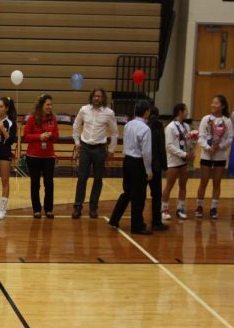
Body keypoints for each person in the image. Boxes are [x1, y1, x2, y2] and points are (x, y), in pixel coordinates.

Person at [72, 88, 118, 219]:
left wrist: (112, 150)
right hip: (85, 148)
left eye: (99, 96)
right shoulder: (84, 109)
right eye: (95, 96)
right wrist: (77, 142)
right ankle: (78, 207)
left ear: (103, 98)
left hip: (99, 149)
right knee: (82, 178)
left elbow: (114, 132)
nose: (97, 98)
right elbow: (76, 125)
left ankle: (93, 208)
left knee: (98, 179)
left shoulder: (109, 113)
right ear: (91, 97)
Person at [109, 100, 154, 234]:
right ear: (146, 112)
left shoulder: (128, 124)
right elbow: (146, 152)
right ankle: (137, 225)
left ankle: (114, 219)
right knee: (139, 196)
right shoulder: (145, 128)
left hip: (127, 161)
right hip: (138, 163)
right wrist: (148, 170)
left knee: (127, 192)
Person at [195, 95, 233, 220]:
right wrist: (208, 147)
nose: (213, 105)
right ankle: (199, 207)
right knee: (204, 181)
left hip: (220, 156)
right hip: (206, 154)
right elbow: (201, 137)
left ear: (222, 106)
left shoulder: (227, 120)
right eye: (212, 102)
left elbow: (229, 138)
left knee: (217, 182)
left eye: (216, 103)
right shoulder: (206, 119)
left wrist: (219, 146)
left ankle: (213, 208)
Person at [24, 95, 59, 219]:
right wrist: (39, 137)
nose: (50, 107)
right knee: (35, 183)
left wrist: (50, 135)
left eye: (51, 104)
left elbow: (57, 135)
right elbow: (26, 136)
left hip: (49, 155)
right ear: (41, 105)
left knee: (49, 182)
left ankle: (49, 209)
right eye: (47, 104)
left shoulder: (53, 119)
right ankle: (37, 209)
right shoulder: (32, 119)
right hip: (33, 155)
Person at [161, 103, 196, 220]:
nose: (187, 112)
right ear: (180, 112)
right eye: (186, 110)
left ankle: (180, 208)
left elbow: (188, 142)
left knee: (183, 185)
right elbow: (169, 146)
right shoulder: (170, 127)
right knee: (169, 185)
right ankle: (164, 209)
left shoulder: (186, 126)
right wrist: (184, 154)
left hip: (185, 161)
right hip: (173, 161)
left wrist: (192, 148)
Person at [147, 106, 169, 231]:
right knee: (156, 195)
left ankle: (138, 221)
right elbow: (161, 147)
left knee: (138, 195)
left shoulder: (143, 125)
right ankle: (156, 221)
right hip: (155, 165)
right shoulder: (159, 126)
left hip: (143, 165)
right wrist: (165, 165)